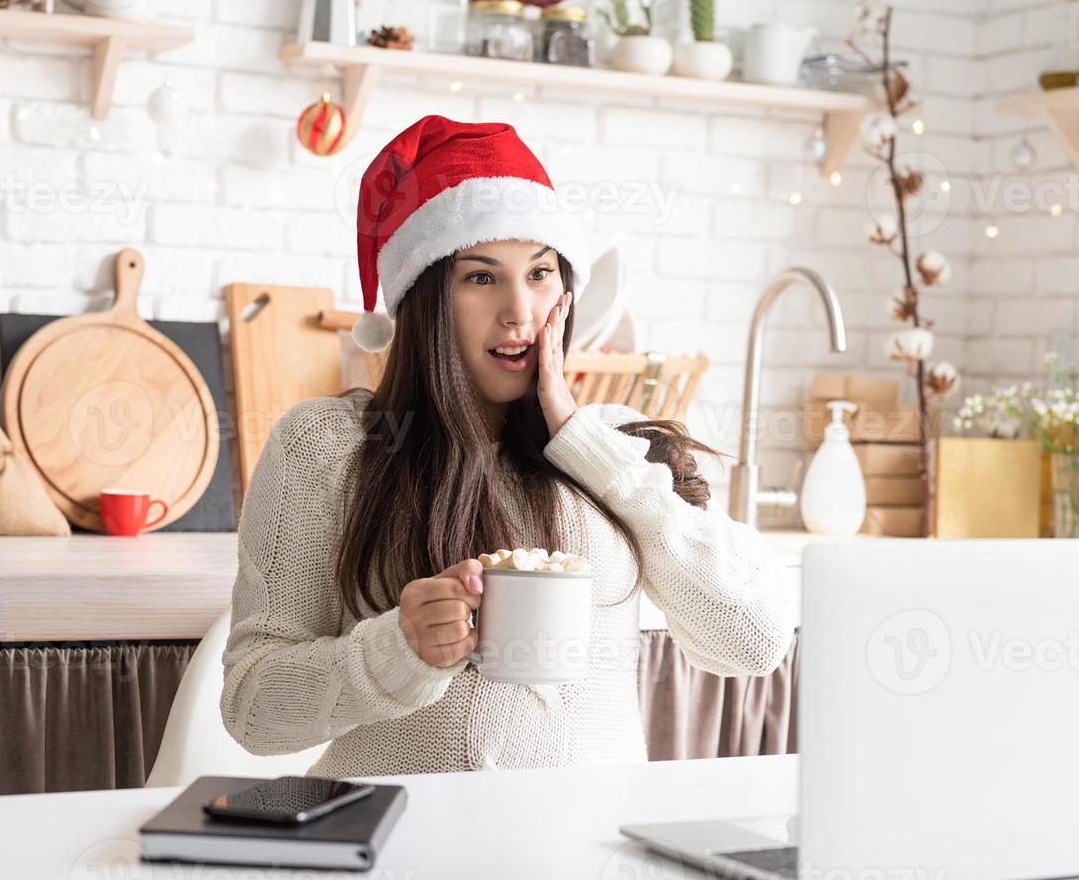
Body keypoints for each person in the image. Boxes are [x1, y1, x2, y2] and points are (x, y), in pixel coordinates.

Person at [221, 115, 791, 776]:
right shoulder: (326, 446)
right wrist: (396, 650)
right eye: (481, 277)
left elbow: (755, 640)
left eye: (541, 273)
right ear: (425, 297)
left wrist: (586, 447)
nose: (520, 311)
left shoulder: (612, 449)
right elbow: (251, 709)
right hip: (399, 853)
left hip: (587, 860)